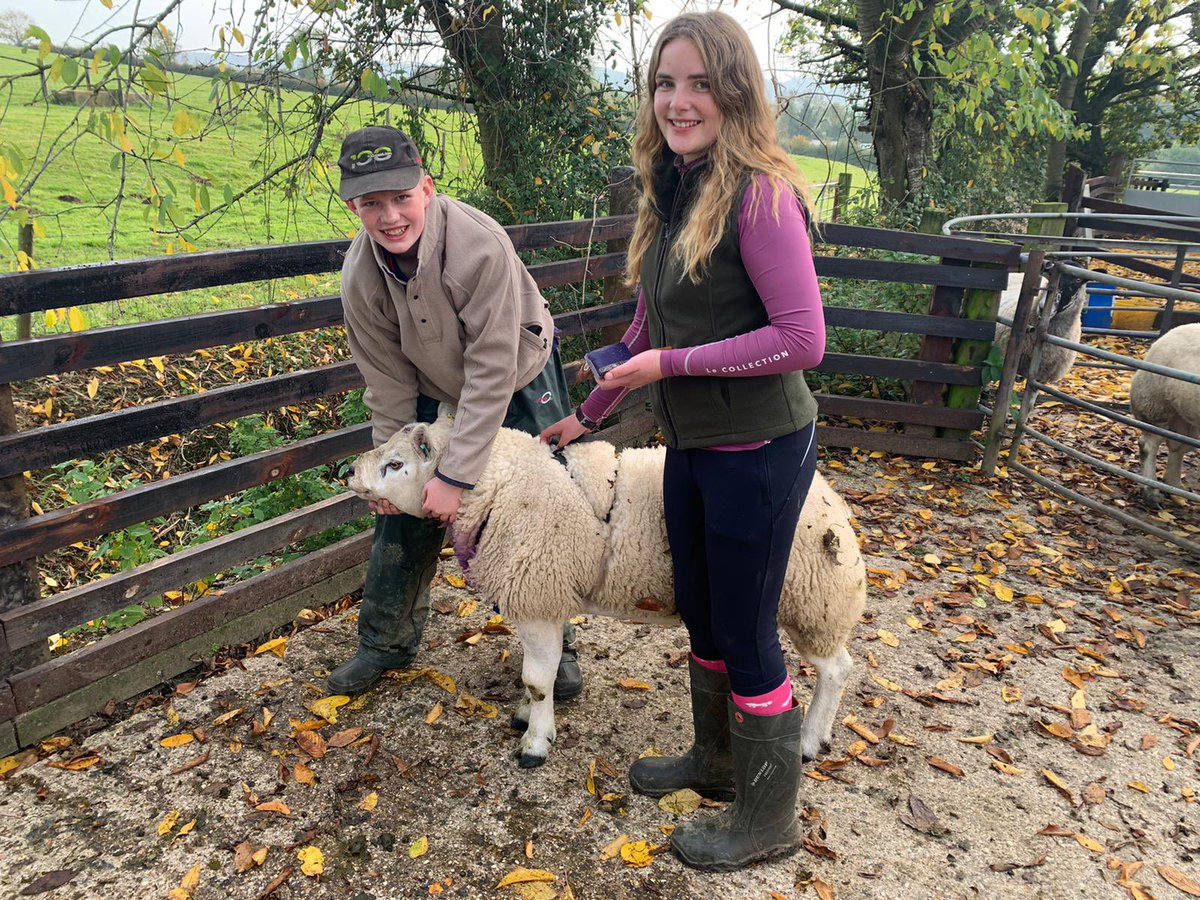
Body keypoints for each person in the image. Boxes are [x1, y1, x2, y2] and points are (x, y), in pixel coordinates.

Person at [541, 12, 825, 872]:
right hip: (693, 450)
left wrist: (671, 362)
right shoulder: (676, 190)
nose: (679, 99)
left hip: (761, 451)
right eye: (666, 83)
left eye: (700, 82)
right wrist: (585, 414)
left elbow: (802, 339)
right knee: (702, 611)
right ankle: (714, 760)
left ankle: (769, 820)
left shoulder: (761, 195)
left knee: (747, 630)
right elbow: (644, 325)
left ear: (735, 90)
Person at [330, 125, 584, 700]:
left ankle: (555, 650)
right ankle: (384, 643)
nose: (390, 216)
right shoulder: (359, 278)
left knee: (535, 506)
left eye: (401, 197)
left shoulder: (479, 246)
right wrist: (394, 471)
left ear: (427, 187)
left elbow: (491, 371)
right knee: (402, 507)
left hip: (517, 371)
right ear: (354, 207)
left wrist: (454, 476)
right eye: (372, 204)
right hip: (430, 379)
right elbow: (386, 382)